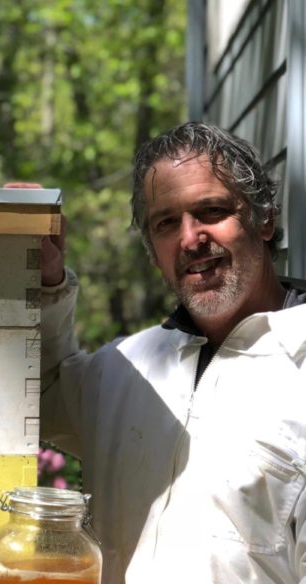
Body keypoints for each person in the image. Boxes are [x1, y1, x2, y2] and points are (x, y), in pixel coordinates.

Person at [40, 122, 306, 582]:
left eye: (211, 210)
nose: (190, 238)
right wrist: (43, 274)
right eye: (167, 222)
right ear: (151, 249)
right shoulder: (127, 368)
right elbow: (37, 391)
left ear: (265, 220)